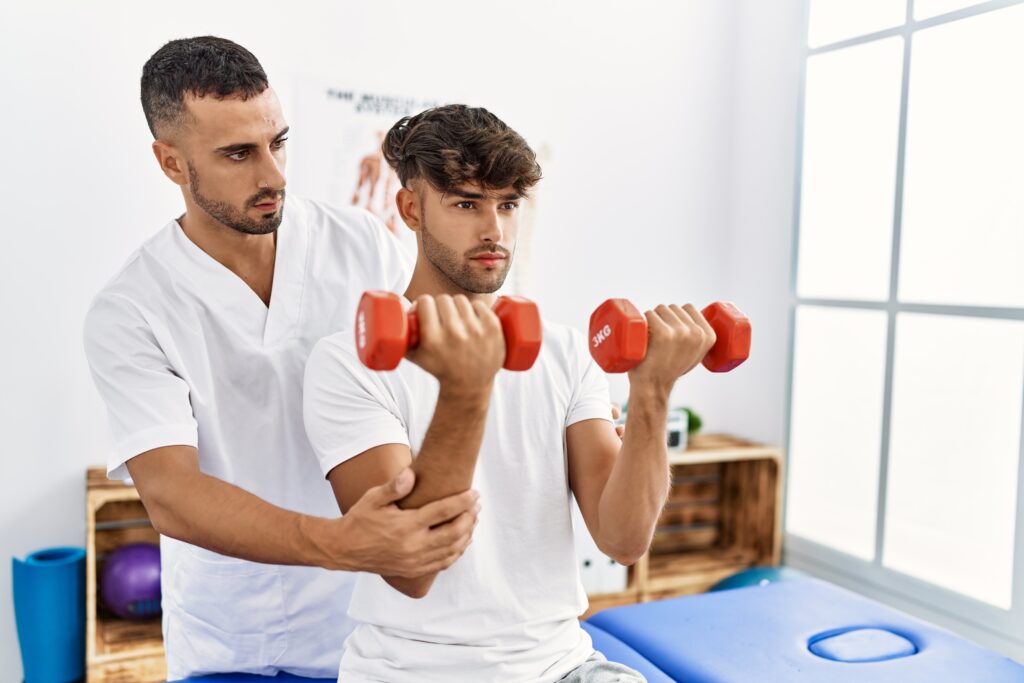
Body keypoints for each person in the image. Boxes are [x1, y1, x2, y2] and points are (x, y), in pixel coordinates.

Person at [82, 37, 478, 680]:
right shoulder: (130, 309)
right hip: (234, 636)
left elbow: (433, 377)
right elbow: (171, 496)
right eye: (238, 153)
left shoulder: (359, 245)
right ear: (170, 162)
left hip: (372, 627)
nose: (273, 175)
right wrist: (336, 544)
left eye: (278, 142)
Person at [303, 104, 718, 682]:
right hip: (412, 670)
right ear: (410, 208)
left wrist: (652, 390)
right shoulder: (348, 361)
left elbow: (623, 540)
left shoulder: (567, 352)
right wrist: (467, 388)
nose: (493, 229)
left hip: (560, 666)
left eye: (509, 204)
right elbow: (410, 567)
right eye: (467, 203)